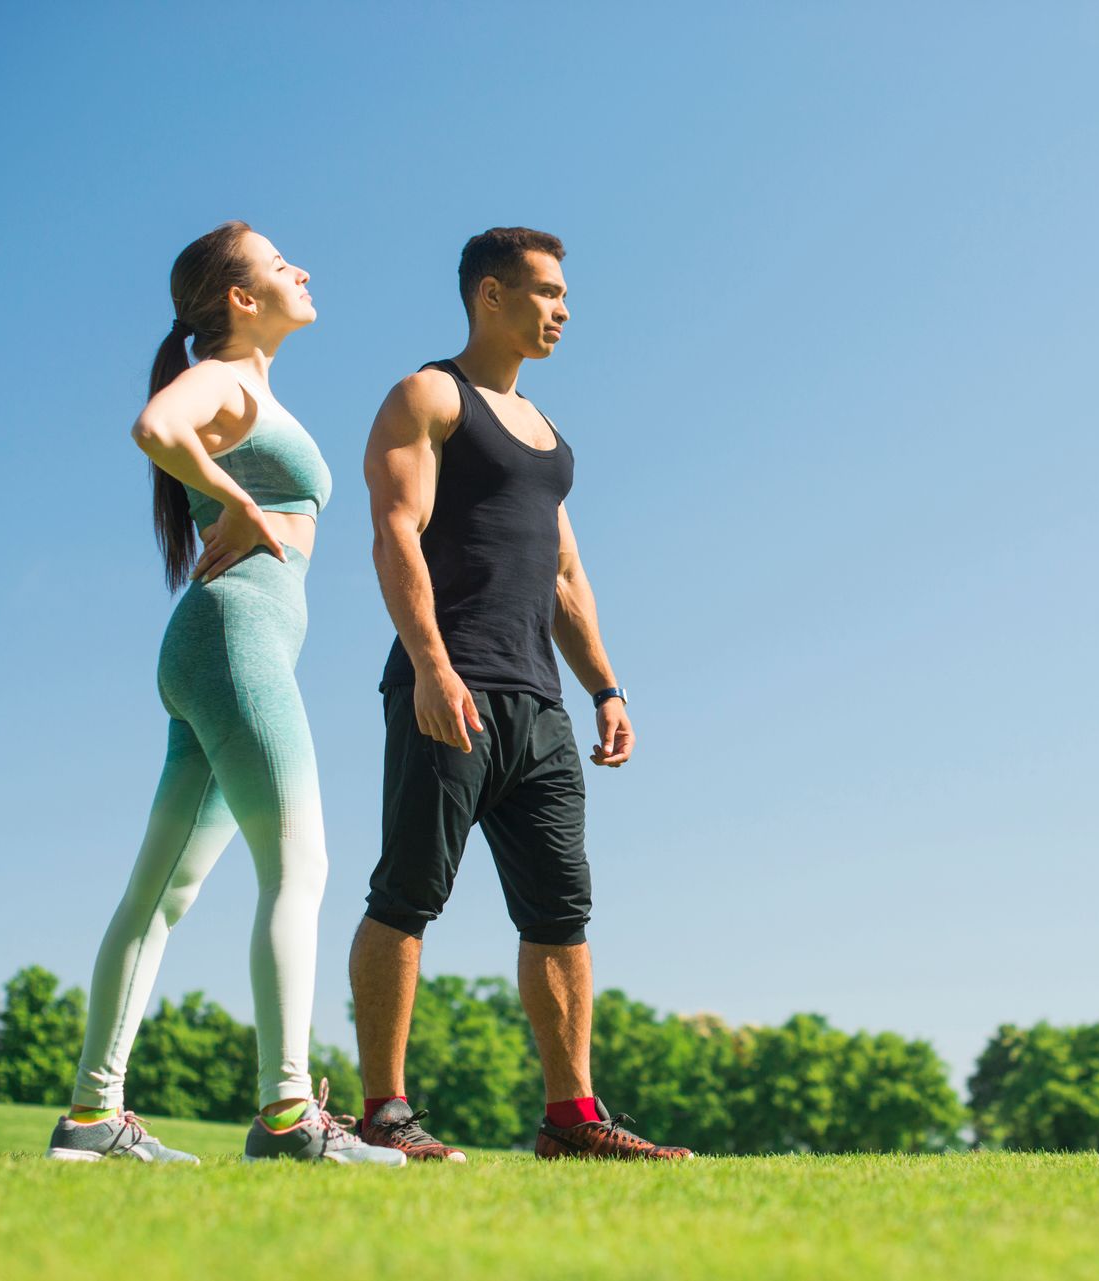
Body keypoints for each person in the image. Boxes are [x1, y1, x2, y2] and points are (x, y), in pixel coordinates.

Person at [44, 221, 403, 1167]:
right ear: (241, 298)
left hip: (218, 645)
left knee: (161, 893)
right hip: (235, 641)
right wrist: (237, 502)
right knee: (300, 867)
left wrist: (232, 496)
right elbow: (155, 428)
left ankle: (91, 1116)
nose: (304, 270)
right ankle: (289, 1116)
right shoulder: (227, 378)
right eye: (283, 264)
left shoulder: (251, 386)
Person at [350, 227, 693, 1161]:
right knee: (408, 894)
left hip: (538, 705)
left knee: (560, 911)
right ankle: (385, 1113)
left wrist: (605, 688)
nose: (564, 309)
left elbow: (567, 578)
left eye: (565, 293)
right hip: (447, 689)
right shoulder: (429, 396)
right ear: (490, 295)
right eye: (546, 291)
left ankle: (571, 1120)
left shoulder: (548, 438)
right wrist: (429, 664)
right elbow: (395, 532)